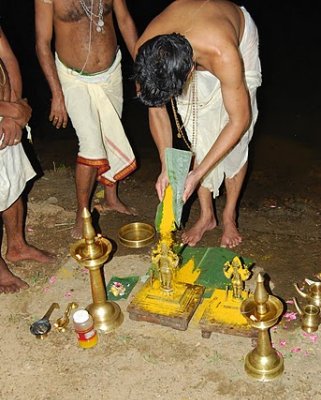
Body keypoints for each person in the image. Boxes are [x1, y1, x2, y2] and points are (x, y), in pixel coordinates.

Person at [133, 0, 262, 248]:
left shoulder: (223, 53)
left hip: (235, 38)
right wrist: (165, 165)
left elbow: (239, 120)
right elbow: (156, 109)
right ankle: (207, 216)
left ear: (191, 70)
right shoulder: (147, 52)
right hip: (196, 42)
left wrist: (198, 174)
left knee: (235, 145)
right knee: (197, 131)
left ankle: (228, 215)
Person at [35, 0, 138, 239]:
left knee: (112, 132)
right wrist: (57, 93)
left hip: (112, 70)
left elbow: (124, 21)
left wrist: (141, 68)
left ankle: (111, 198)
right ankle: (82, 213)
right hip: (73, 78)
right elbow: (42, 43)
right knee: (91, 145)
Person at [0, 27, 55, 294]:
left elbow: (9, 59)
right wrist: (8, 108)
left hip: (6, 114)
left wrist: (12, 114)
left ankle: (17, 245)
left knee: (13, 180)